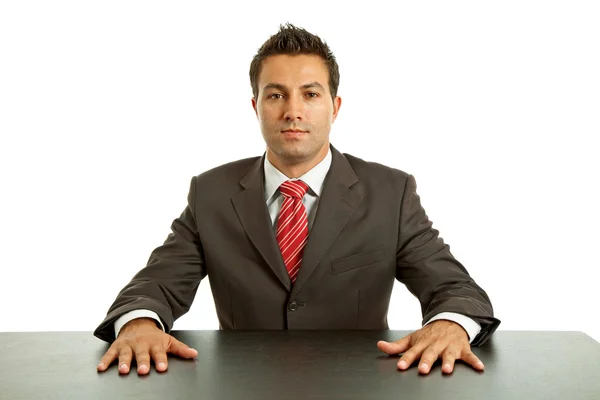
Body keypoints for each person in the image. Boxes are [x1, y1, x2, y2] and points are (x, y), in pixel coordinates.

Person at [95, 23, 501, 377]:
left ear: (334, 107)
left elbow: (454, 288)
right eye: (275, 96)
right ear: (255, 107)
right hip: (241, 388)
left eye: (310, 94)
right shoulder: (211, 193)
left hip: (360, 387)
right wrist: (139, 324)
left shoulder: (390, 193)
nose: (293, 111)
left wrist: (450, 325)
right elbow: (156, 284)